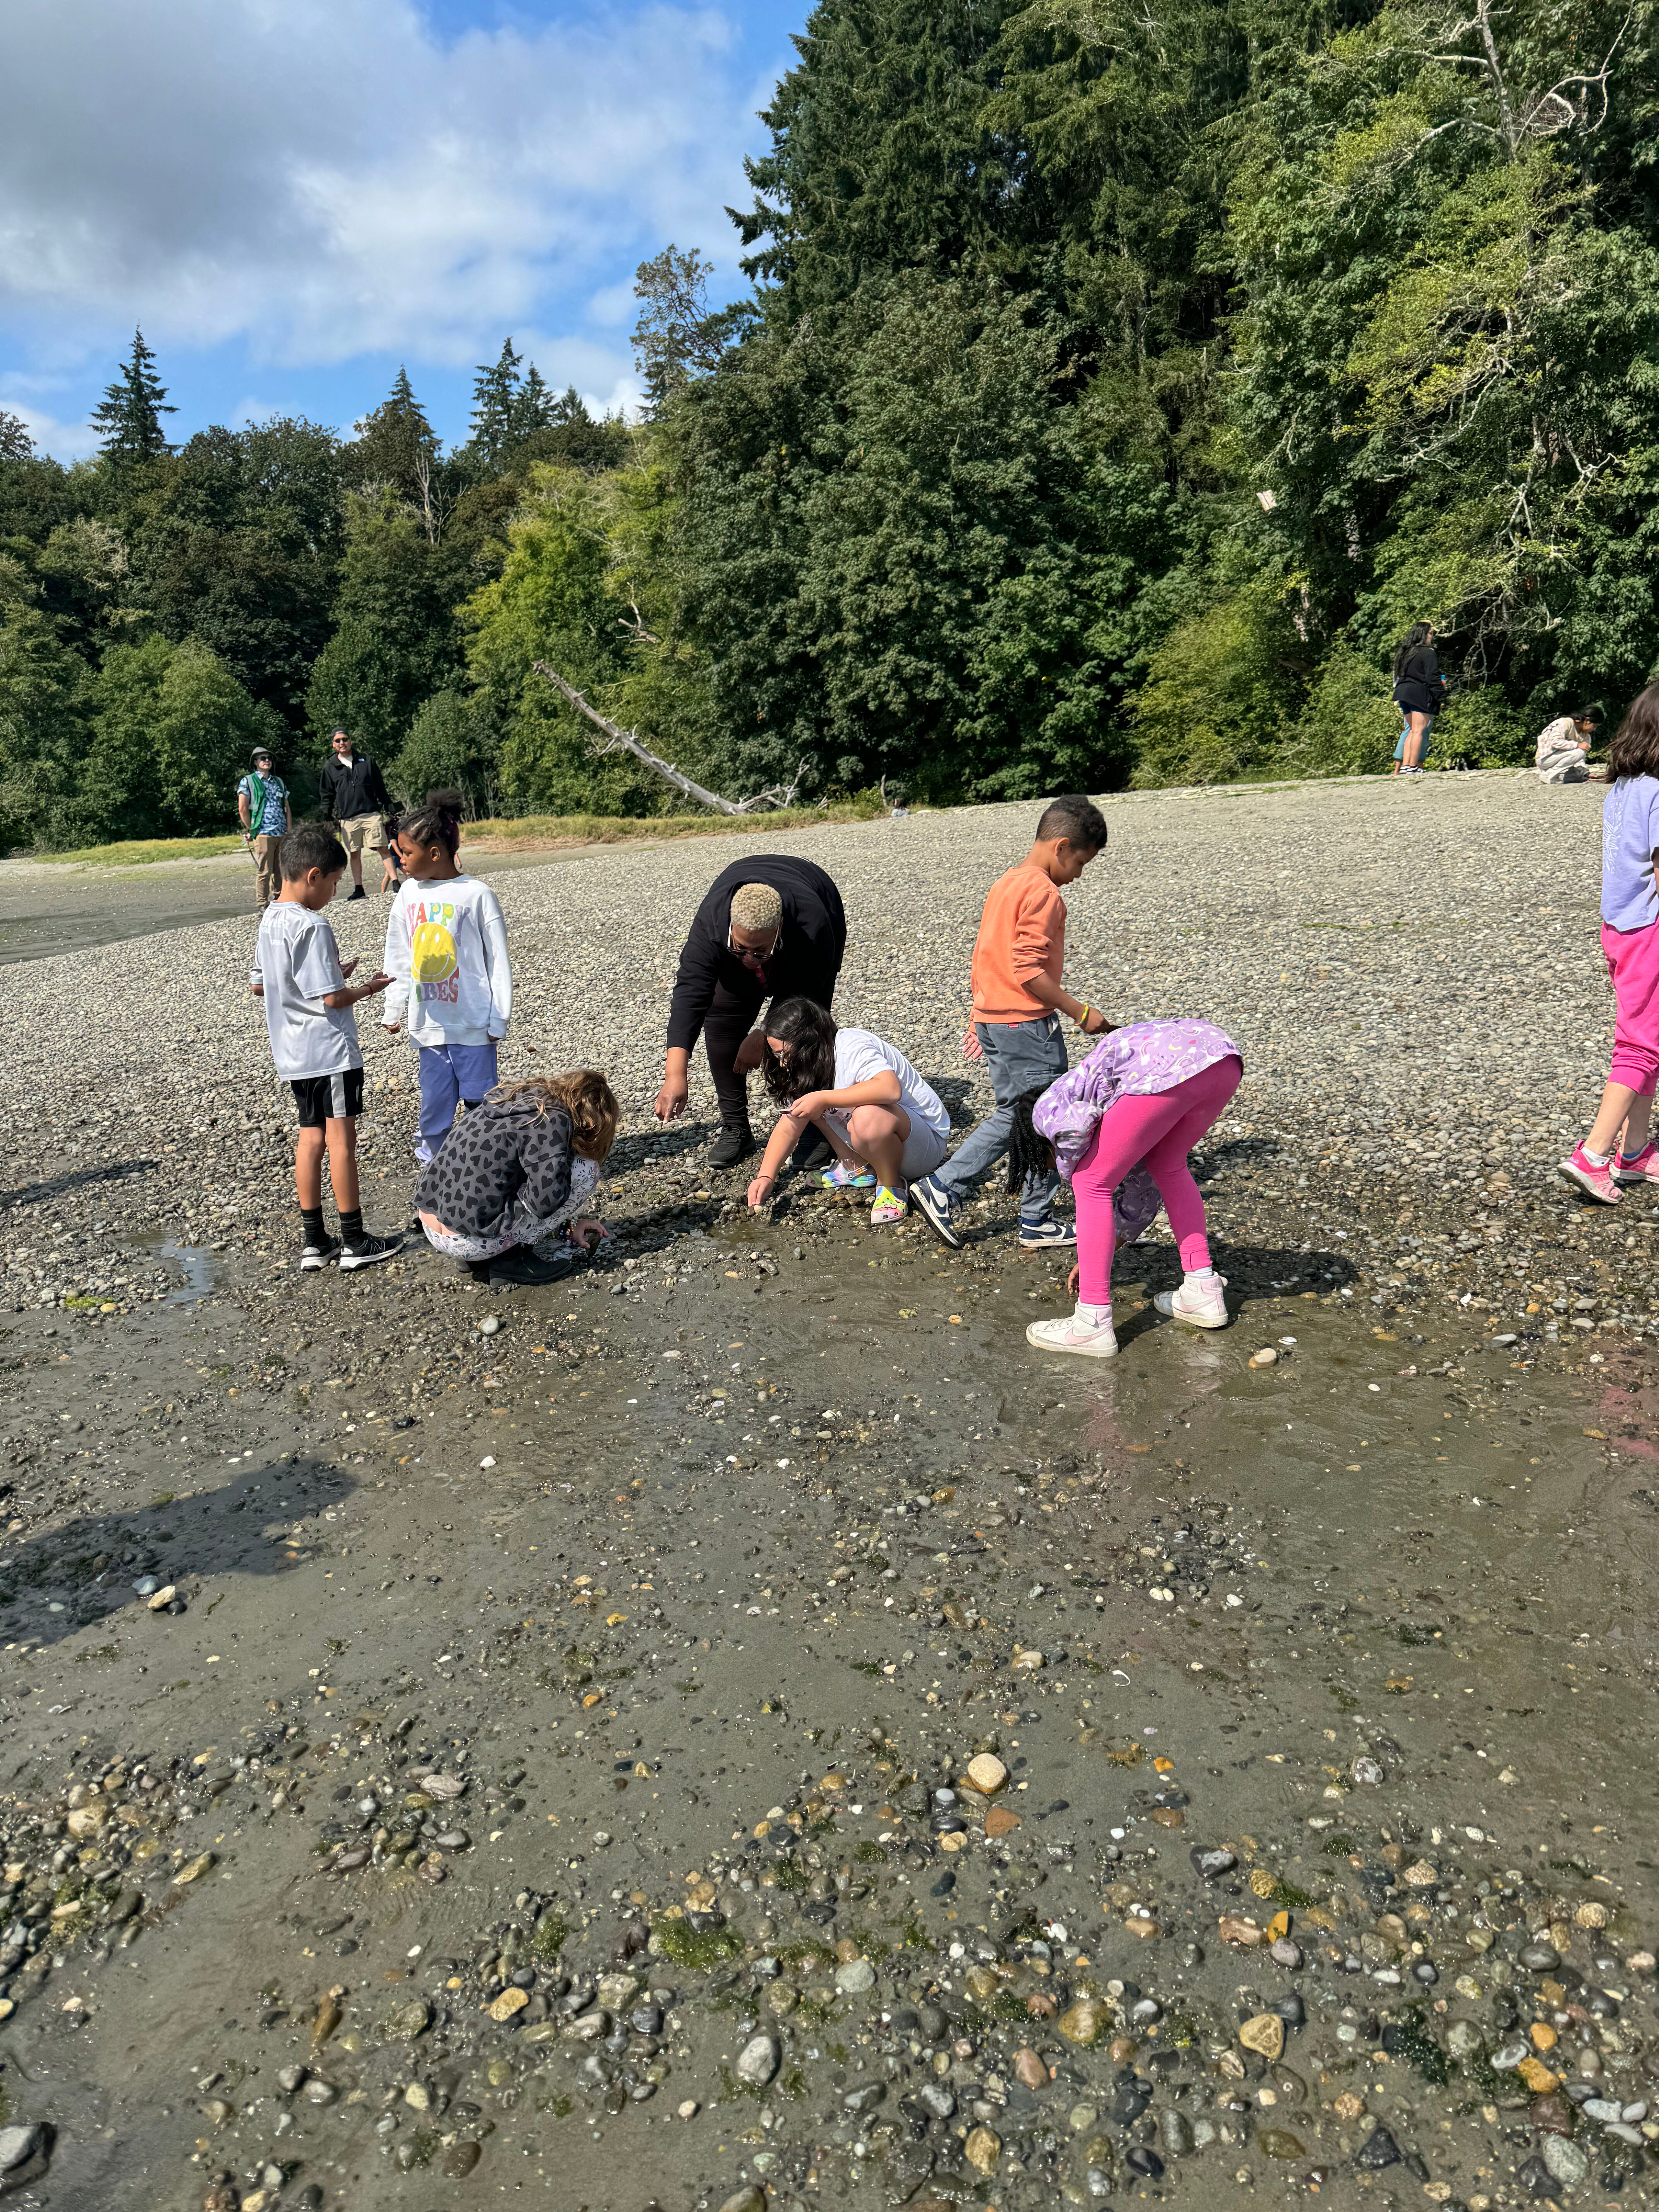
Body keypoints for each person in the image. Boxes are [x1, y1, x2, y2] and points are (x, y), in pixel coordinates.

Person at [910, 796, 1111, 1252]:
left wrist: (978, 1013)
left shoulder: (1007, 883)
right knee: (1041, 1117)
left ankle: (1028, 1214)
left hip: (996, 1020)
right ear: (1061, 847)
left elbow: (986, 956)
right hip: (1025, 1026)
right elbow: (1026, 970)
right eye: (1080, 863)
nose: (1078, 874)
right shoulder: (1044, 892)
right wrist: (1081, 1013)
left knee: (1024, 1115)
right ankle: (951, 1188)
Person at [1010, 1019, 1243, 1357]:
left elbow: (1076, 1146)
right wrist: (1105, 1248)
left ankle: (1091, 1323)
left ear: (1038, 1144)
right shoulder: (1107, 1102)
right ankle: (1203, 1292)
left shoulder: (1047, 1107)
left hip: (1169, 1063)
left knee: (1090, 1182)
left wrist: (1071, 1171)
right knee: (1167, 1164)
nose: (1049, 1168)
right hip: (1221, 1056)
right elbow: (1142, 1193)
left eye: (1042, 1163)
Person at [250, 821, 403, 1271]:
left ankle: (314, 1241)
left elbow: (262, 987)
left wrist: (333, 971)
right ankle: (355, 1240)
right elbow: (333, 999)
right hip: (329, 1049)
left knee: (309, 1138)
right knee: (342, 1141)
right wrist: (369, 989)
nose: (334, 893)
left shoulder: (269, 920)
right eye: (335, 883)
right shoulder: (313, 925)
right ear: (313, 876)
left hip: (293, 1051)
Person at [655, 855, 847, 1168]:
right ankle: (735, 1127)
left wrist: (763, 1036)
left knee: (805, 1031)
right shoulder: (711, 925)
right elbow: (690, 994)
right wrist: (675, 1075)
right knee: (721, 1019)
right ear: (731, 928)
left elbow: (804, 1000)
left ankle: (816, 1123)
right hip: (742, 926)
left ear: (780, 929)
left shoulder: (813, 926)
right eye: (740, 948)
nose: (749, 959)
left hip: (816, 901)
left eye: (760, 952)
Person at [1558, 684, 1659, 1204]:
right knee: (1640, 1046)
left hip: (1619, 927)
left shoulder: (1625, 787)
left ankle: (1636, 1150)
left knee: (1649, 1038)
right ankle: (1594, 1154)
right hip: (1650, 930)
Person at [381, 789, 512, 1177]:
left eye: (406, 854)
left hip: (474, 1026)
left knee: (481, 1106)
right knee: (435, 1108)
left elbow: (498, 963)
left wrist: (498, 1019)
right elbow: (400, 955)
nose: (400, 861)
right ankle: (433, 1179)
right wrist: (394, 1007)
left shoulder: (477, 895)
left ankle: (483, 1176)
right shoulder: (407, 894)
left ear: (435, 854)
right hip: (429, 1027)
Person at [745, 996, 951, 1226]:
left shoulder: (850, 1046)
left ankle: (892, 1186)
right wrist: (766, 1176)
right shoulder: (803, 1068)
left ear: (809, 1043)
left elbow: (890, 1089)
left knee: (865, 1116)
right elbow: (789, 1126)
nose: (783, 1064)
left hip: (922, 1147)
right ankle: (856, 1166)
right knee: (808, 1107)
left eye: (786, 1054)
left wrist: (822, 1097)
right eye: (777, 1056)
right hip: (878, 1146)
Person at [415, 1070, 618, 1286]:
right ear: (591, 1120)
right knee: (587, 1169)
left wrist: (568, 1226)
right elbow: (545, 1202)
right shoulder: (552, 1120)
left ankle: (474, 1259)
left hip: (432, 1224)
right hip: (469, 1243)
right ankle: (513, 1260)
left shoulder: (513, 1098)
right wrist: (564, 1222)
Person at [318, 726, 393, 901]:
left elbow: (380, 786)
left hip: (371, 813)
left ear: (351, 741)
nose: (342, 743)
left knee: (383, 848)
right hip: (348, 817)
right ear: (333, 745)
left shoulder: (366, 761)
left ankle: (396, 884)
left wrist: (389, 806)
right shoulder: (330, 767)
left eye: (345, 739)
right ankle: (359, 889)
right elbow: (327, 794)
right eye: (338, 741)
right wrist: (326, 816)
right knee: (355, 852)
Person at [236, 744, 290, 911]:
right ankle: (262, 905)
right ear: (255, 762)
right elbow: (243, 808)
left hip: (281, 832)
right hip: (263, 833)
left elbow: (287, 808)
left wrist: (289, 830)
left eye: (269, 759)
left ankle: (280, 899)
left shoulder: (278, 782)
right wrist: (252, 829)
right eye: (263, 759)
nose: (267, 761)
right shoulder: (248, 781)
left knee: (281, 870)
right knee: (264, 871)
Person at [1391, 623, 1444, 776]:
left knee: (1412, 731)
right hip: (1418, 693)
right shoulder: (1428, 653)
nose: (1431, 637)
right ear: (1423, 635)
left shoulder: (1405, 652)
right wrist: (1441, 695)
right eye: (1430, 633)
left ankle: (1406, 765)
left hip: (1402, 692)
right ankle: (1414, 766)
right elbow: (1432, 676)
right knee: (1419, 730)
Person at [1535, 709, 1599, 784]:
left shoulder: (1586, 737)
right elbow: (1555, 742)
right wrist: (1577, 745)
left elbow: (1579, 758)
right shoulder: (1565, 723)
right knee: (1579, 751)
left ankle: (1571, 775)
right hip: (1545, 758)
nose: (1594, 730)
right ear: (1587, 721)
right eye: (1594, 726)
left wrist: (1586, 773)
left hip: (1560, 757)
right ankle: (1549, 775)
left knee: (1578, 774)